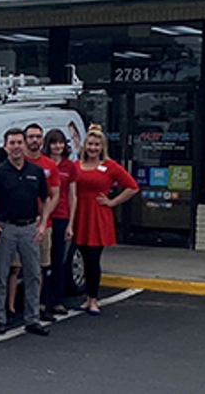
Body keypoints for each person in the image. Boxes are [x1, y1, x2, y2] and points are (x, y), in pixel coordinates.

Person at [0, 128, 55, 336]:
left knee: (33, 274)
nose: (16, 147)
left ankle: (32, 319)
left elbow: (45, 199)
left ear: (24, 145)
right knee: (1, 274)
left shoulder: (35, 172)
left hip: (29, 228)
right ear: (5, 146)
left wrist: (42, 224)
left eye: (19, 142)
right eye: (12, 143)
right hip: (5, 228)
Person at [74, 125, 140, 315]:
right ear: (84, 145)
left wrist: (113, 202)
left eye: (96, 145)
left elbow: (132, 186)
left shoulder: (110, 167)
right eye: (90, 144)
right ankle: (87, 298)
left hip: (97, 216)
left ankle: (94, 299)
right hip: (80, 215)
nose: (93, 148)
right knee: (83, 259)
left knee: (94, 260)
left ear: (102, 147)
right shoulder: (76, 166)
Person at [24, 123, 61, 323]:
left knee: (41, 267)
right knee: (14, 270)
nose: (35, 140)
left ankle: (39, 305)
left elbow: (54, 195)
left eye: (38, 136)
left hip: (43, 224)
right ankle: (14, 309)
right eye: (31, 136)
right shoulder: (18, 162)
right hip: (20, 223)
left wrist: (43, 218)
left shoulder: (50, 165)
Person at [42, 128, 78, 316]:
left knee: (58, 260)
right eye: (54, 143)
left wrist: (71, 223)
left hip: (61, 217)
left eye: (60, 143)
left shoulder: (69, 167)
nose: (57, 146)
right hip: (42, 218)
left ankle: (57, 300)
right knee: (43, 263)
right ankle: (42, 301)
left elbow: (73, 195)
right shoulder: (42, 164)